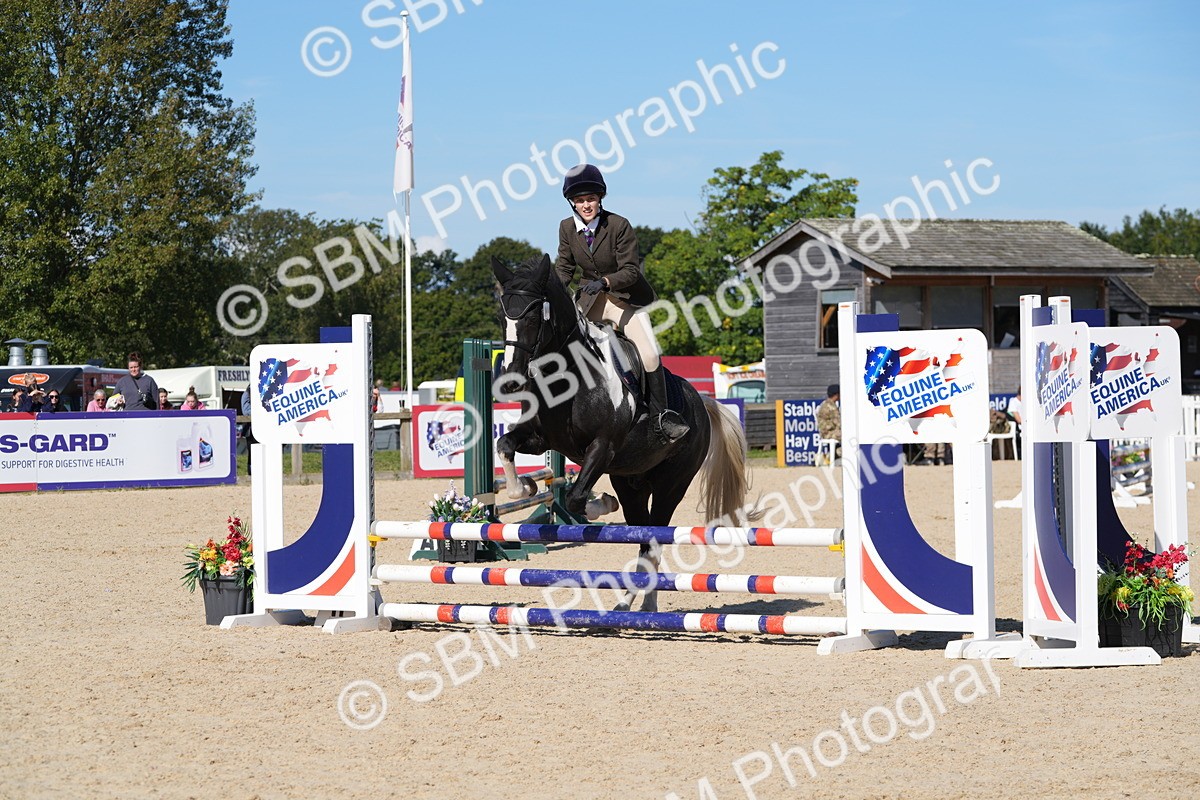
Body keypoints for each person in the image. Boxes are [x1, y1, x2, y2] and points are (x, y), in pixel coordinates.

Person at [554, 164, 687, 444]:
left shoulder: (618, 225)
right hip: (588, 303)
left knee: (649, 355)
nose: (585, 205)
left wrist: (604, 282)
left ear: (599, 198)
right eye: (579, 200)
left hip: (619, 299)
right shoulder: (567, 228)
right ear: (572, 203)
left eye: (590, 198)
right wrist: (551, 290)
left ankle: (662, 418)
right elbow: (564, 268)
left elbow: (630, 271)